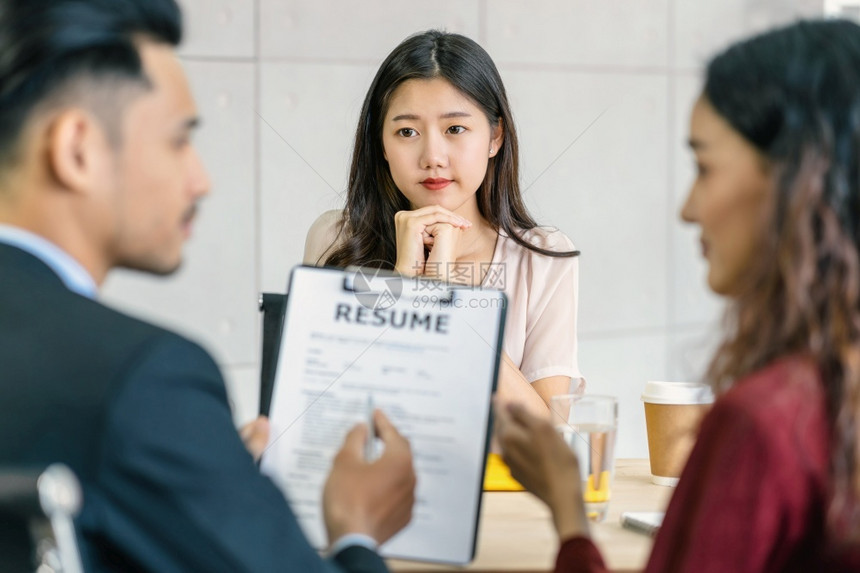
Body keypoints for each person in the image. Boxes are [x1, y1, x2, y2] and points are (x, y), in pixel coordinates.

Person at [0, 1, 415, 571]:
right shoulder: (148, 383)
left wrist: (205, 476)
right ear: (78, 149)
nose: (201, 179)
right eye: (177, 140)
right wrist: (357, 535)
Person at [495, 19, 860, 572]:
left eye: (705, 167)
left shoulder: (762, 424)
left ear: (798, 182)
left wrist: (569, 514)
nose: (687, 209)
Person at [304, 30, 583, 418]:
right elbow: (324, 414)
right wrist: (403, 289)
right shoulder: (336, 238)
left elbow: (548, 437)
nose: (432, 156)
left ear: (495, 136)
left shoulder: (543, 257)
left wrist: (449, 304)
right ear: (381, 143)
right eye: (407, 132)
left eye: (455, 129)